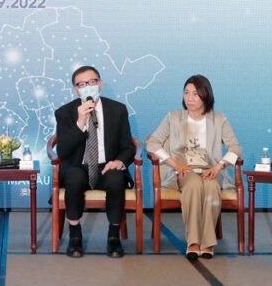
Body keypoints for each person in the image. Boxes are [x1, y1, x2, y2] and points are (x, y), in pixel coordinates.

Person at [145, 75, 241, 260]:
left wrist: (219, 166)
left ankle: (208, 243)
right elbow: (153, 143)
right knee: (194, 184)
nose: (189, 98)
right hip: (184, 170)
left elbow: (235, 147)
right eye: (186, 93)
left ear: (206, 95)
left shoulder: (219, 119)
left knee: (211, 187)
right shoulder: (173, 117)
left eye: (195, 94)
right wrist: (174, 164)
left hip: (210, 169)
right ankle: (194, 242)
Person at [54, 65, 136, 258]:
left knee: (116, 178)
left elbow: (128, 147)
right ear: (76, 89)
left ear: (100, 84)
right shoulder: (65, 112)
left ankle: (113, 237)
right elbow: (63, 151)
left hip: (107, 166)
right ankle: (75, 236)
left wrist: (119, 162)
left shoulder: (117, 109)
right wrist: (81, 122)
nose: (88, 87)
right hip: (79, 167)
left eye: (91, 82)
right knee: (73, 178)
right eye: (82, 84)